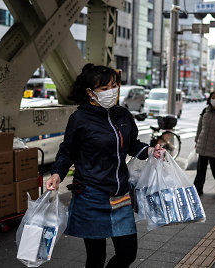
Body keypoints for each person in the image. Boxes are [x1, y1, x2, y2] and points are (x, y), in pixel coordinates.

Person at [45, 64, 164, 268]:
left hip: (120, 196)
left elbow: (132, 144)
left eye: (114, 85)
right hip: (91, 195)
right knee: (96, 257)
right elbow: (67, 151)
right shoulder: (80, 119)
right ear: (90, 92)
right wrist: (57, 173)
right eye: (105, 88)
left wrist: (151, 151)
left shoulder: (123, 115)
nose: (112, 91)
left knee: (127, 253)